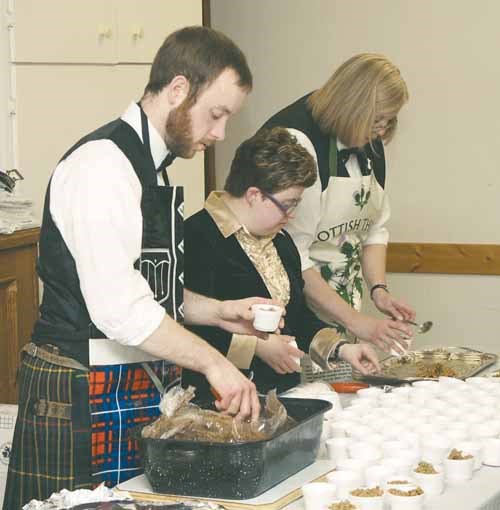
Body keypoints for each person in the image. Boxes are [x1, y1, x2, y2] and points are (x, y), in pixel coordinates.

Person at [4, 26, 271, 509]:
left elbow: (145, 284)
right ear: (177, 90)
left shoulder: (151, 165)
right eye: (217, 114)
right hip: (76, 392)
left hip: (121, 382)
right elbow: (120, 309)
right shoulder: (101, 165)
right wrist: (215, 362)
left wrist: (219, 311)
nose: (221, 133)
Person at [182, 127, 380, 398]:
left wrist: (342, 348)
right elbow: (186, 326)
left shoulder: (281, 241)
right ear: (254, 195)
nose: (292, 215)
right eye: (287, 204)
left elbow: (299, 317)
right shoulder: (197, 236)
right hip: (220, 399)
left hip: (282, 392)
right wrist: (257, 347)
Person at [260, 53, 416, 353]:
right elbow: (292, 255)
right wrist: (358, 322)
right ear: (353, 106)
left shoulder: (370, 142)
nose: (382, 131)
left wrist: (379, 290)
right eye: (377, 120)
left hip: (345, 313)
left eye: (388, 121)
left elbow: (373, 230)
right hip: (294, 318)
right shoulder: (295, 141)